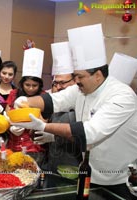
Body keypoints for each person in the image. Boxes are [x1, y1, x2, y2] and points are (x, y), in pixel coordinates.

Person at [12, 24, 137, 199]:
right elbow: (52, 100)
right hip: (89, 172)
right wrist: (23, 101)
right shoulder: (81, 89)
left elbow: (89, 133)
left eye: (80, 76)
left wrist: (43, 126)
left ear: (98, 75)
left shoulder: (122, 96)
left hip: (118, 179)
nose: (76, 81)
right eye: (75, 75)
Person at [34, 42, 81, 174]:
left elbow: (86, 136)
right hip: (53, 164)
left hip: (74, 166)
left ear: (75, 81)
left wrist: (54, 136)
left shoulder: (82, 102)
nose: (59, 87)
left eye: (63, 83)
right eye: (56, 83)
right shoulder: (53, 98)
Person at [6, 48, 45, 156]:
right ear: (22, 84)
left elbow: (44, 122)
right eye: (27, 85)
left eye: (34, 85)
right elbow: (8, 113)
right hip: (13, 144)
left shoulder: (43, 97)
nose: (31, 89)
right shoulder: (14, 94)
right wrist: (11, 125)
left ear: (40, 85)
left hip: (33, 147)